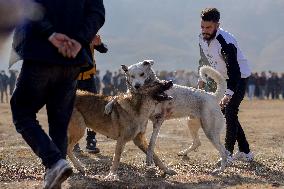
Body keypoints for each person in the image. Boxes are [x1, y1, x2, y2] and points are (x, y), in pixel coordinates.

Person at [10, 0, 105, 188]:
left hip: (40, 51)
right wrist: (79, 39)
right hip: (72, 58)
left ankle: (54, 162)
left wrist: (50, 34)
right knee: (59, 122)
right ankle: (54, 179)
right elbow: (97, 13)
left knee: (22, 112)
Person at [198, 8, 254, 163]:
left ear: (217, 25)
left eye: (208, 27)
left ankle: (227, 155)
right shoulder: (201, 38)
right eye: (202, 27)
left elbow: (235, 71)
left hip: (239, 78)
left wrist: (228, 93)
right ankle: (245, 152)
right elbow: (203, 59)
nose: (205, 31)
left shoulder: (226, 42)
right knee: (228, 114)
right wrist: (201, 77)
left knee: (230, 112)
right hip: (222, 79)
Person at [74, 34, 108, 154]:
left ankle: (91, 140)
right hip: (72, 79)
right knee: (72, 110)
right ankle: (73, 141)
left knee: (93, 110)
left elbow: (104, 49)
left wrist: (99, 44)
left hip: (89, 80)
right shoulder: (67, 30)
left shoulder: (90, 31)